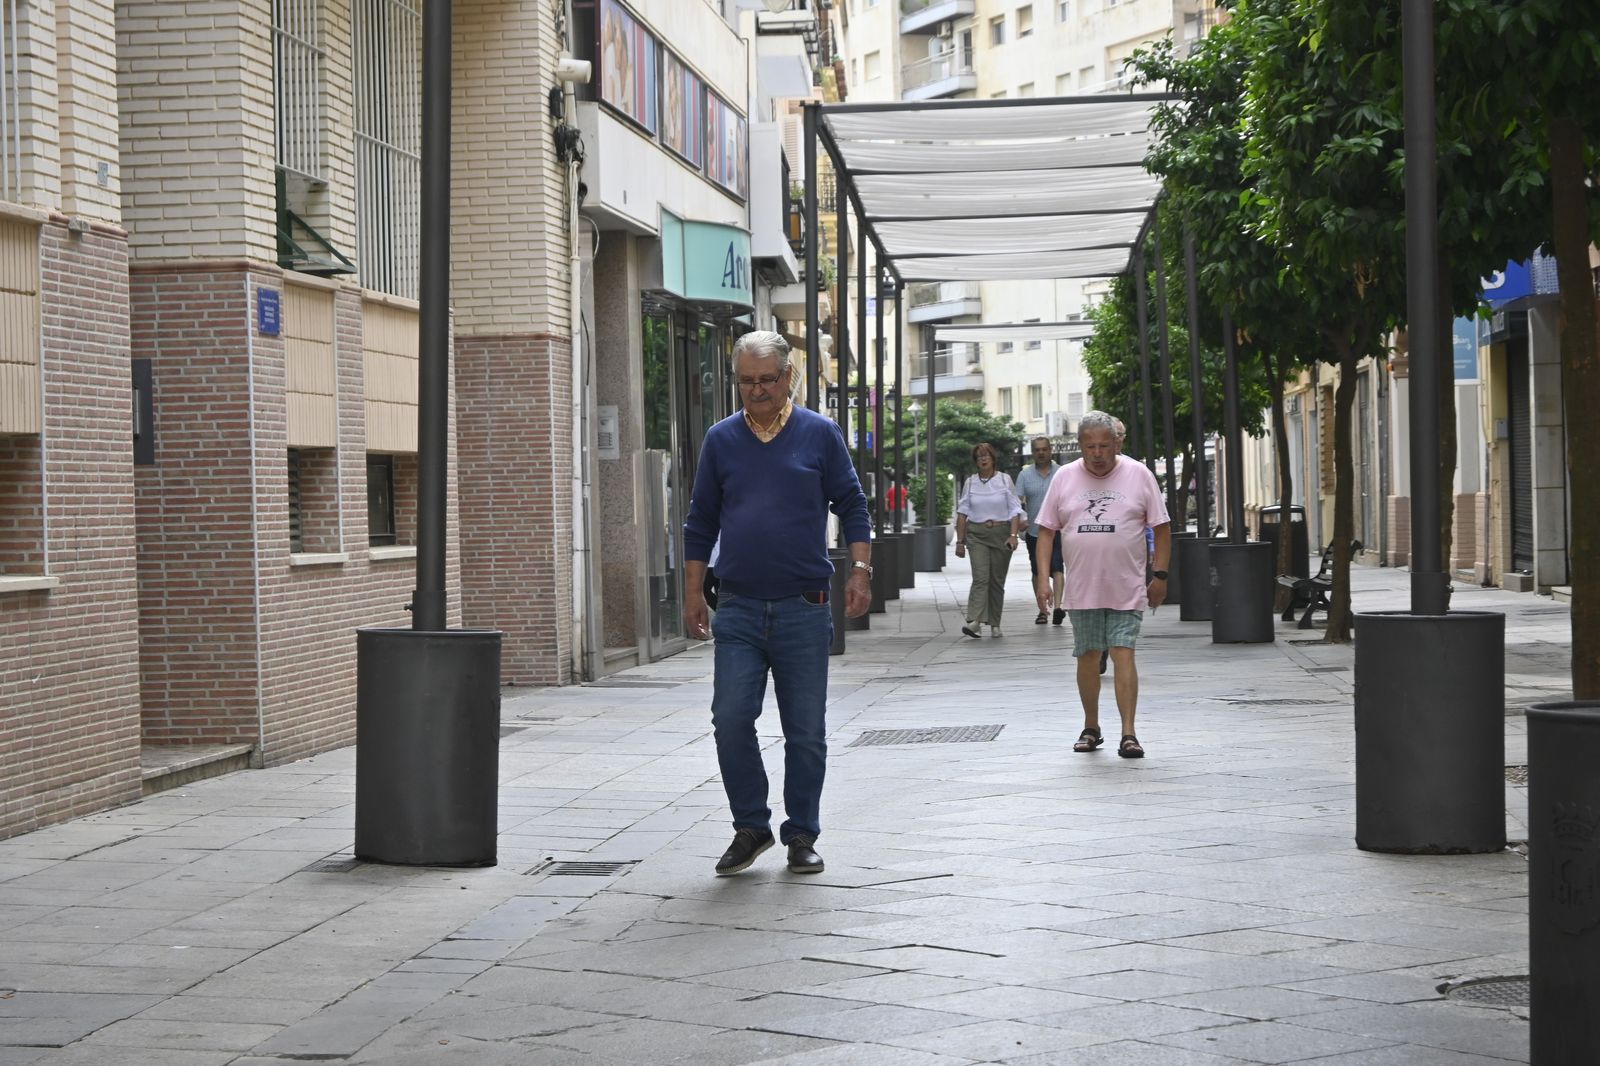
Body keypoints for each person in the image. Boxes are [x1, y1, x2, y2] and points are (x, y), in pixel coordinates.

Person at [683, 331, 872, 878]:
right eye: (747, 381)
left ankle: (802, 834)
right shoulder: (721, 439)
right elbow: (700, 522)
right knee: (731, 718)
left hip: (804, 606)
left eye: (767, 379)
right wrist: (694, 592)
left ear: (789, 377)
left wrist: (860, 571)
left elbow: (853, 504)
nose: (757, 390)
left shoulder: (820, 434)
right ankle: (751, 827)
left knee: (805, 730)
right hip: (738, 606)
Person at [1034, 411, 1171, 759]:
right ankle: (1091, 726)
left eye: (1104, 446)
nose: (1097, 453)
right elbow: (1046, 531)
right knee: (1089, 655)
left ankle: (1129, 733)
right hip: (1082, 586)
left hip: (1126, 584)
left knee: (1124, 652)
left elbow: (1162, 527)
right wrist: (1043, 579)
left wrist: (1160, 575)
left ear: (1116, 443)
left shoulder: (1139, 474)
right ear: (1080, 445)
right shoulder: (1064, 478)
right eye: (1090, 446)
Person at [953, 443, 1024, 638]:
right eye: (979, 457)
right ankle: (974, 620)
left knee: (996, 581)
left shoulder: (1004, 480)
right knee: (981, 577)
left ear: (993, 458)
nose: (983, 459)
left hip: (1001, 532)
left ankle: (995, 623)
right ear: (976, 462)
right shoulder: (971, 483)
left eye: (986, 456)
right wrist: (960, 541)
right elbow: (962, 512)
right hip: (977, 534)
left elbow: (1015, 509)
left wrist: (1013, 535)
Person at [1016, 436, 1066, 626]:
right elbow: (1017, 502)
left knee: (1057, 566)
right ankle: (1042, 610)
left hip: (1059, 530)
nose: (1041, 453)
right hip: (1035, 531)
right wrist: (1021, 519)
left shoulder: (1062, 473)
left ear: (1050, 450)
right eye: (1037, 450)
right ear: (1033, 452)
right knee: (1037, 570)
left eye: (1044, 449)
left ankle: (1059, 607)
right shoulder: (1025, 475)